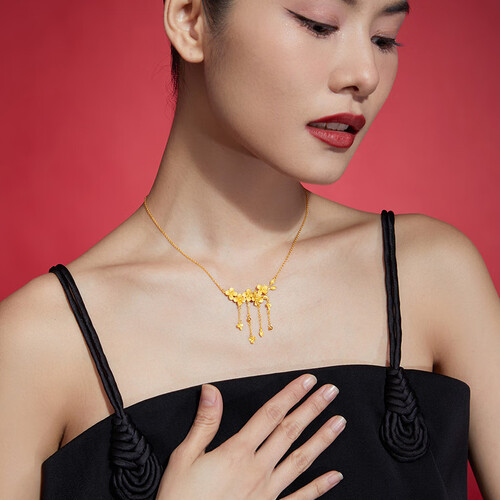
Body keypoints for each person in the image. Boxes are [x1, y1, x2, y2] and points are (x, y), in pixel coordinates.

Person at [0, 0, 499, 498]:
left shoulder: (431, 277)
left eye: (384, 37)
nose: (365, 75)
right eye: (318, 24)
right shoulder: (41, 342)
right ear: (190, 20)